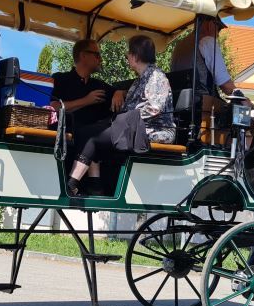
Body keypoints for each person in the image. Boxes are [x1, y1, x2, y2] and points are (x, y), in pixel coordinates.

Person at [65, 35, 174, 196]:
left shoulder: (156, 77)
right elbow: (128, 107)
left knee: (93, 136)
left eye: (128, 54)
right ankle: (94, 186)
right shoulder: (139, 81)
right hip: (134, 127)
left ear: (136, 56)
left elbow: (154, 109)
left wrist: (126, 118)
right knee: (85, 131)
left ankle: (72, 184)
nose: (127, 57)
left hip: (153, 129)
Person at [52, 39, 115, 190]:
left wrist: (118, 92)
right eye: (97, 54)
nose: (100, 59)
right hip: (68, 139)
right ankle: (85, 184)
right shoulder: (60, 79)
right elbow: (54, 107)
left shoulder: (99, 85)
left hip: (94, 143)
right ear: (83, 56)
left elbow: (121, 93)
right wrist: (86, 100)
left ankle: (91, 185)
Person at [169, 15, 238, 97]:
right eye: (218, 29)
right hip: (201, 104)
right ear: (210, 24)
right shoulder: (207, 41)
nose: (218, 35)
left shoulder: (179, 45)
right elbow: (226, 85)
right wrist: (243, 99)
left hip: (177, 102)